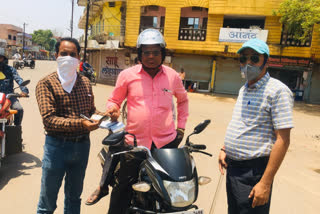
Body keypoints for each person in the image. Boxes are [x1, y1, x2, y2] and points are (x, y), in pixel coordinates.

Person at [85, 29, 189, 214]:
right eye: (146, 52)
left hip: (166, 143)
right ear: (140, 54)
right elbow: (114, 99)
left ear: (162, 54)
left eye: (155, 52)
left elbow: (183, 101)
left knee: (174, 186)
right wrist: (113, 108)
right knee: (123, 187)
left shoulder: (172, 76)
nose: (151, 56)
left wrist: (181, 127)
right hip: (135, 144)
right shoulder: (127, 75)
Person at [218, 38, 294, 214]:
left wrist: (265, 183)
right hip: (234, 169)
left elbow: (283, 140)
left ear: (266, 61)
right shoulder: (244, 89)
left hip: (253, 173)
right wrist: (225, 148)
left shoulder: (277, 91)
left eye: (254, 58)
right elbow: (241, 123)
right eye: (243, 59)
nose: (248, 63)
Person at [36, 37, 102, 214]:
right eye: (64, 54)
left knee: (74, 199)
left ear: (79, 58)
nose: (68, 58)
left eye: (73, 54)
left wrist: (106, 115)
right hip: (56, 147)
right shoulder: (46, 83)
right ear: (56, 55)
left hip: (81, 147)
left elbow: (91, 111)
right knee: (47, 203)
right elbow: (49, 120)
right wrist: (81, 123)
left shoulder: (85, 83)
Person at [0, 48, 29, 126]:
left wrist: (24, 91)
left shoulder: (11, 70)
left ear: (4, 59)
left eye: (0, 57)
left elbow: (19, 80)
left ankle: (17, 129)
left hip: (8, 97)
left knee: (19, 109)